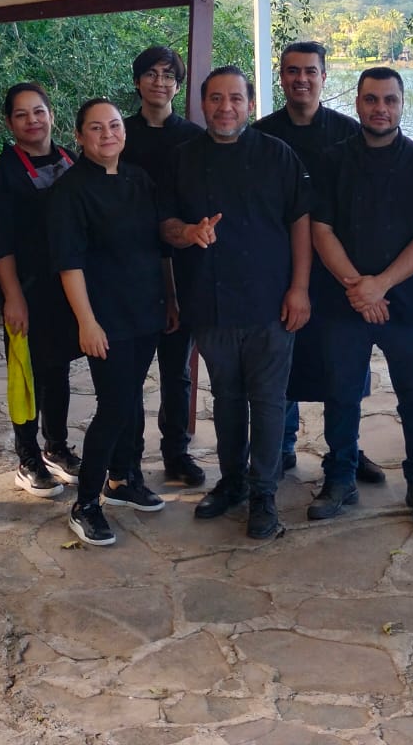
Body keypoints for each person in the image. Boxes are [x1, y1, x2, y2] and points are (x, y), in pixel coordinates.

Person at [161, 66, 310, 540]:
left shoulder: (277, 154)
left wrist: (300, 288)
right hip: (209, 300)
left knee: (268, 402)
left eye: (236, 99)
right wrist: (189, 232)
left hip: (271, 301)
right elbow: (165, 225)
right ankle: (232, 481)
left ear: (250, 104)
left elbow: (301, 223)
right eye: (216, 99)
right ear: (202, 104)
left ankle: (264, 494)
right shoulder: (182, 158)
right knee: (226, 398)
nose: (226, 108)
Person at [309, 67, 413, 527]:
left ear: (401, 105)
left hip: (402, 303)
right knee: (341, 394)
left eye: (389, 100)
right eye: (371, 99)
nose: (380, 108)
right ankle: (340, 479)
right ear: (358, 104)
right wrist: (358, 288)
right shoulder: (331, 161)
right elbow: (321, 231)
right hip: (342, 302)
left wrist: (380, 285)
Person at [253, 41, 384, 485]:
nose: (301, 79)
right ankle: (282, 444)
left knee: (343, 364)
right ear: (282, 78)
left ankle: (346, 451)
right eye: (293, 71)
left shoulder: (350, 133)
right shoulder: (263, 136)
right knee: (282, 360)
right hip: (278, 267)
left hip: (338, 268)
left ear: (324, 77)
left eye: (310, 71)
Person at [49, 99, 176, 546]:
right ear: (79, 136)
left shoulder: (139, 179)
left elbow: (158, 247)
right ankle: (85, 502)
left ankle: (123, 478)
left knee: (132, 398)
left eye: (115, 126)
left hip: (145, 309)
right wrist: (87, 322)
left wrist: (170, 299)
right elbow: (69, 264)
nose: (108, 134)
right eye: (96, 128)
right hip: (105, 317)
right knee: (115, 404)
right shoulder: (70, 190)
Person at [0, 82, 81, 498]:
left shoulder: (72, 159)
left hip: (66, 289)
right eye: (21, 114)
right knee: (26, 372)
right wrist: (13, 296)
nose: (32, 121)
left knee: (58, 369)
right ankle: (27, 458)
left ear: (51, 115)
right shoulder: (3, 171)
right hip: (25, 288)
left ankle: (56, 447)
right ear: (9, 123)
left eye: (38, 111)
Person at [121, 45, 207, 488]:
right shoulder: (119, 133)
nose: (160, 82)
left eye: (169, 75)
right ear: (138, 81)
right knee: (130, 373)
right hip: (129, 268)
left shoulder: (193, 138)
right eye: (152, 74)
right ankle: (128, 459)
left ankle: (177, 453)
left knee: (177, 371)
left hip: (181, 266)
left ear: (178, 84)